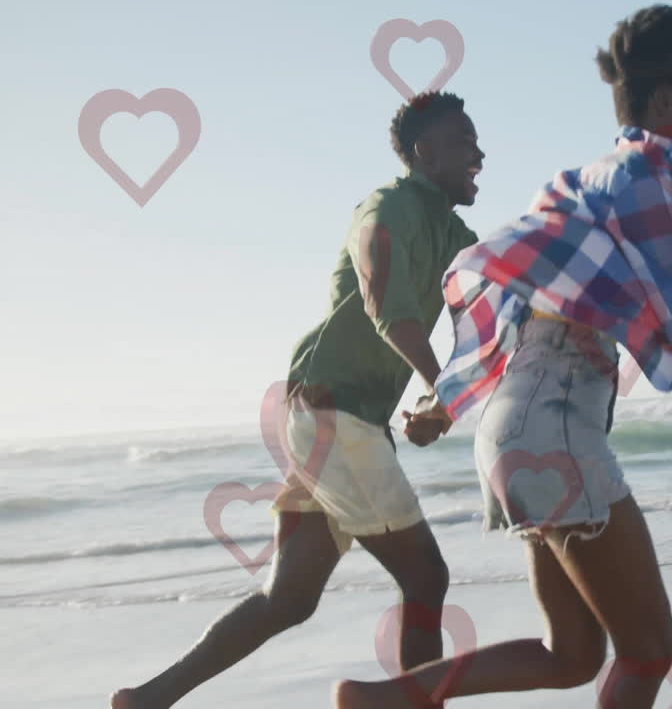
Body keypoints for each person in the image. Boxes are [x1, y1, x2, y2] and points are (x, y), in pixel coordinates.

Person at [332, 3, 672, 709]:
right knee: (649, 649)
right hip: (557, 435)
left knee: (572, 653)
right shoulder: (647, 184)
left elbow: (510, 316)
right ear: (663, 104)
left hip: (512, 436)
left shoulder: (578, 185)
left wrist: (447, 402)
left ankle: (382, 701)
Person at [110, 91, 484, 709]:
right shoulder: (387, 207)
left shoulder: (454, 234)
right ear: (425, 151)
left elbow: (485, 307)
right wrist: (441, 389)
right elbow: (384, 303)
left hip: (340, 421)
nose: (480, 155)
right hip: (334, 416)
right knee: (426, 577)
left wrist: (442, 400)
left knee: (289, 598)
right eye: (464, 142)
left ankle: (147, 699)